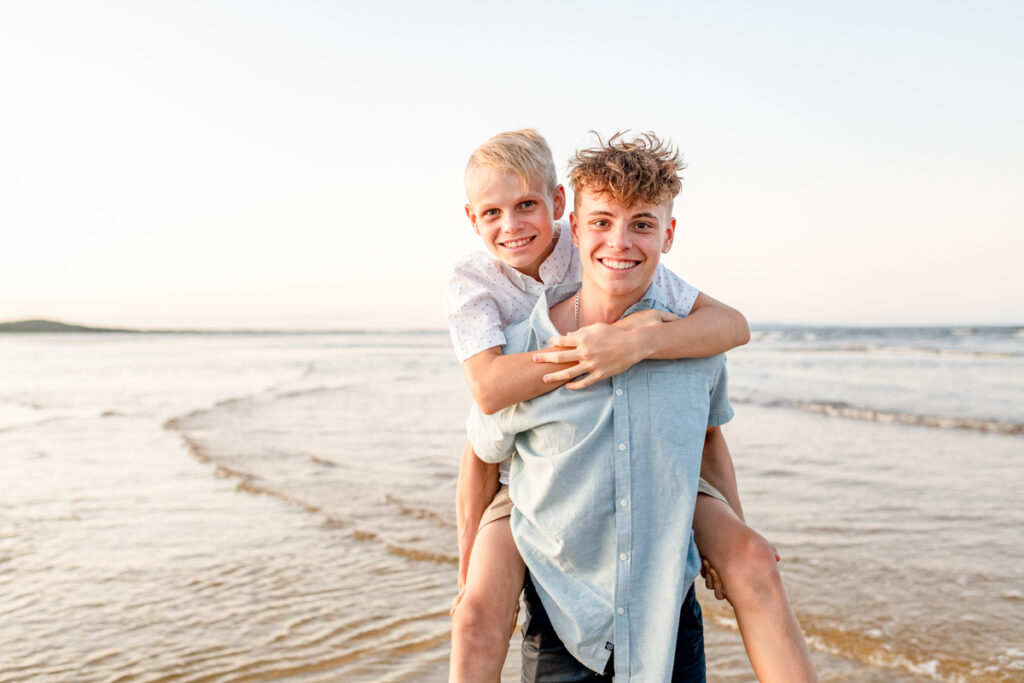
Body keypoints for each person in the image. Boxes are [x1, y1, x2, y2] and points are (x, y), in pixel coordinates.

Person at [447, 131, 816, 680]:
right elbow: (488, 398)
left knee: (753, 558)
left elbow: (725, 362)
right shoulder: (490, 303)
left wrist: (635, 341)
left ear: (556, 210)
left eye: (641, 224)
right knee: (475, 614)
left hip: (657, 479)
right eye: (603, 223)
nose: (619, 241)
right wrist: (576, 355)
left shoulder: (678, 326)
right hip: (531, 480)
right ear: (580, 224)